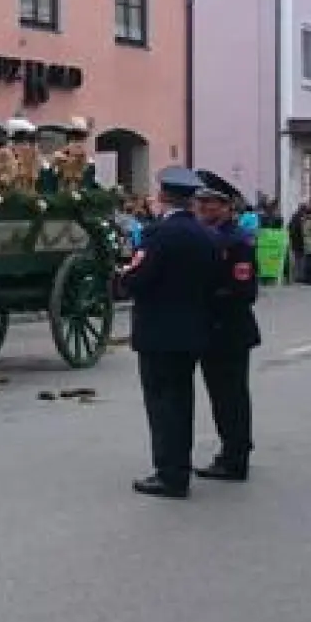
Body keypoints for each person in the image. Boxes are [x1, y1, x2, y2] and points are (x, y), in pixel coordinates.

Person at [117, 167, 219, 499]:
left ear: (163, 196)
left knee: (161, 406)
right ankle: (180, 468)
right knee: (182, 401)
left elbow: (138, 279)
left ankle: (169, 473)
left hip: (158, 333)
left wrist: (121, 279)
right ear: (191, 199)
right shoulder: (205, 235)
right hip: (192, 332)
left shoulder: (158, 234)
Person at [193, 177, 258, 482]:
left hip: (228, 330)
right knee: (225, 396)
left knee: (229, 396)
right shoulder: (213, 236)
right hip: (215, 329)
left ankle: (234, 458)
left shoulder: (236, 241)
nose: (204, 208)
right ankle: (236, 446)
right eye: (201, 202)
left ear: (227, 207)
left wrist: (205, 299)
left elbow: (243, 290)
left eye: (211, 203)